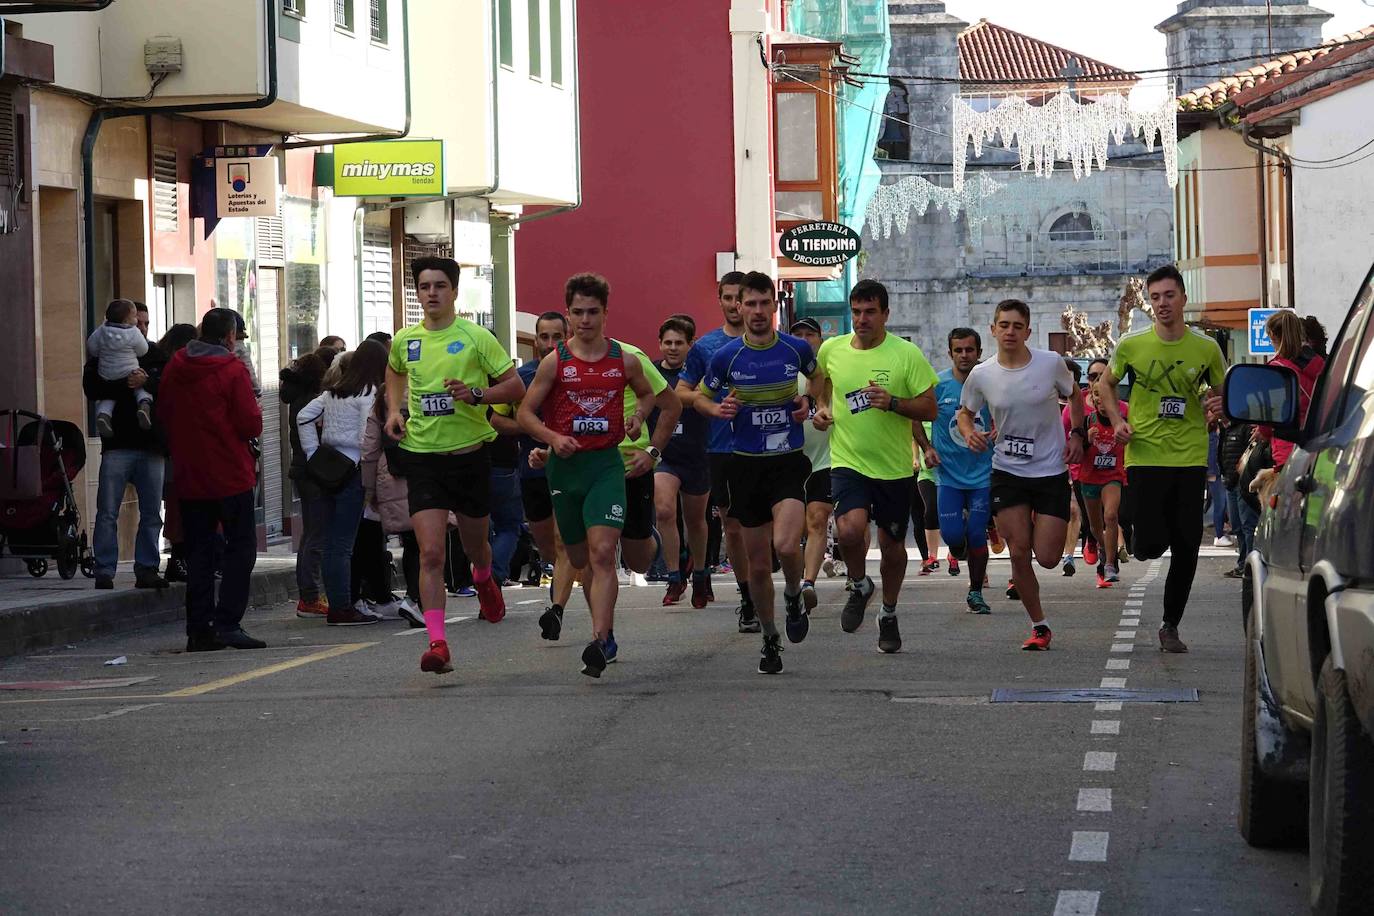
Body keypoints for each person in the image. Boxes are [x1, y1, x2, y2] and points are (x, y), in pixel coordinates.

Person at [517, 273, 671, 678]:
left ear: (605, 313)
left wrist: (638, 416)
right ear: (569, 315)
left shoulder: (625, 359)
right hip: (566, 469)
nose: (585, 320)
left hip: (606, 466)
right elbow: (524, 413)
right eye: (578, 312)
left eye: (593, 312)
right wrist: (552, 438)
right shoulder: (556, 362)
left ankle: (602, 640)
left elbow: (651, 394)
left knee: (603, 554)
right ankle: (596, 625)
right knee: (578, 557)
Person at [385, 256, 526, 675]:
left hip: (469, 458)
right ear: (417, 291)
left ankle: (484, 578)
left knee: (473, 548)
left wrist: (477, 394)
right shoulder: (405, 339)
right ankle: (438, 643)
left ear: (454, 291)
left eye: (440, 286)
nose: (432, 293)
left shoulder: (475, 336)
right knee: (430, 552)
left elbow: (514, 385)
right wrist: (395, 410)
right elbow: (393, 372)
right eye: (425, 286)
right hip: (423, 457)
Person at [1094, 265, 1227, 654]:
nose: (1162, 304)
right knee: (1149, 546)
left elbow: (1220, 394)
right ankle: (1140, 539)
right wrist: (1117, 420)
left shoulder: (1205, 348)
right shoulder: (1133, 345)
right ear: (1149, 303)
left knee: (1187, 546)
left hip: (1188, 456)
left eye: (1169, 295)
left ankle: (1170, 624)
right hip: (1144, 454)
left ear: (1183, 298)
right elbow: (1105, 382)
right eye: (1155, 298)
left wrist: (1217, 406)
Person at [692, 272, 817, 672]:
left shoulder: (795, 348)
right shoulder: (726, 357)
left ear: (774, 306)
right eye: (751, 304)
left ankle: (795, 594)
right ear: (739, 307)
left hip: (787, 463)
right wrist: (717, 410)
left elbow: (819, 380)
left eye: (766, 303)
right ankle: (769, 638)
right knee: (759, 564)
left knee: (785, 545)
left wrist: (808, 403)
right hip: (744, 466)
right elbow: (698, 397)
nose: (758, 311)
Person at [812, 279, 939, 654]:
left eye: (870, 312)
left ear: (886, 313)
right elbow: (820, 385)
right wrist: (822, 408)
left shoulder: (905, 355)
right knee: (850, 531)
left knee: (892, 546)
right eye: (856, 312)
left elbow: (929, 407)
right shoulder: (832, 349)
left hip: (895, 468)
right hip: (848, 461)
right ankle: (858, 583)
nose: (862, 319)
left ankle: (888, 611)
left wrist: (894, 403)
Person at [959, 299, 1084, 651]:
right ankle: (1039, 626)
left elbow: (1075, 396)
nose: (1010, 331)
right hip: (1008, 471)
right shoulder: (982, 374)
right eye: (1004, 325)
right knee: (1018, 552)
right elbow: (964, 413)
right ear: (993, 330)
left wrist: (1078, 434)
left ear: (1028, 331)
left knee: (1046, 556)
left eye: (1017, 325)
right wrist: (969, 432)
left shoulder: (1050, 364)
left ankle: (1034, 526)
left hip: (1049, 470)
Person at [159, 308, 265, 651]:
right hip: (230, 472)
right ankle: (228, 623)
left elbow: (164, 412)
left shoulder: (177, 365)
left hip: (191, 473)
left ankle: (198, 628)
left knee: (199, 552)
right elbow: (250, 423)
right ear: (230, 336)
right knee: (240, 548)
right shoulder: (232, 369)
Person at [676, 272, 755, 627]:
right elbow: (681, 393)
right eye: (728, 297)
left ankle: (781, 587)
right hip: (722, 448)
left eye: (742, 297)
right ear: (720, 301)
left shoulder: (772, 344)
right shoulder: (706, 348)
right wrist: (710, 404)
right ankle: (749, 597)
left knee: (766, 528)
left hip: (768, 447)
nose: (735, 304)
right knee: (734, 525)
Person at [296, 339, 389, 626]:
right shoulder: (370, 393)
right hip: (354, 471)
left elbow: (303, 416)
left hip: (326, 469)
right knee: (342, 544)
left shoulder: (333, 393)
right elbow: (367, 437)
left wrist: (313, 452)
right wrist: (371, 474)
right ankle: (342, 607)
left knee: (329, 542)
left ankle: (339, 603)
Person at [83, 300, 168, 591]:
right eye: (138, 322)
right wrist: (127, 384)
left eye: (145, 323)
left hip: (151, 445)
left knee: (151, 512)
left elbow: (168, 385)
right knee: (107, 511)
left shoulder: (153, 353)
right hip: (117, 444)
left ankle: (147, 568)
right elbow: (91, 387)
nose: (141, 328)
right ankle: (104, 570)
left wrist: (148, 380)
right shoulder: (105, 348)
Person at [914, 327, 995, 614]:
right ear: (950, 353)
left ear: (979, 353)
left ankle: (975, 592)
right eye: (958, 350)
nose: (964, 355)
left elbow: (1006, 415)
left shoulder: (990, 384)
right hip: (947, 476)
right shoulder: (938, 385)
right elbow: (915, 418)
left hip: (982, 476)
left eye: (969, 350)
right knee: (953, 536)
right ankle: (957, 550)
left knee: (976, 534)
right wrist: (927, 448)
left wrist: (998, 433)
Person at [514, 313, 580, 637]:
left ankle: (557, 608)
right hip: (532, 469)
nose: (550, 344)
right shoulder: (522, 377)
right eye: (544, 337)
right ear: (536, 339)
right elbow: (499, 421)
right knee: (546, 543)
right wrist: (540, 433)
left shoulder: (576, 373)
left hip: (568, 467)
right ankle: (560, 576)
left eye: (557, 337)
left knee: (561, 539)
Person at [652, 316, 712, 608]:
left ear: (691, 344)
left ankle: (699, 574)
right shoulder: (650, 373)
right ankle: (674, 577)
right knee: (663, 510)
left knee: (695, 521)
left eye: (679, 343)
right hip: (665, 456)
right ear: (660, 344)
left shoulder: (700, 375)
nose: (673, 348)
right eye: (668, 342)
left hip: (697, 456)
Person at [280, 345, 340, 617]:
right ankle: (310, 596)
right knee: (317, 536)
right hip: (314, 472)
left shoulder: (299, 399)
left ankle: (311, 594)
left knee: (311, 536)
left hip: (304, 471)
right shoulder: (311, 402)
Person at [788, 317, 835, 614]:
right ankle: (794, 583)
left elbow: (833, 403)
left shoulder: (828, 372)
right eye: (798, 334)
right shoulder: (784, 372)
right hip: (789, 459)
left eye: (810, 334)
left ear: (819, 339)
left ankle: (809, 583)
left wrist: (826, 411)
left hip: (826, 458)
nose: (804, 339)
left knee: (817, 520)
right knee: (790, 533)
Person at [1079, 358, 1128, 588]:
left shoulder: (1125, 415)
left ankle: (1109, 564)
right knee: (1095, 527)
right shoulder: (1088, 420)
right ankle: (1102, 545)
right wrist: (1086, 442)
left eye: (1104, 395)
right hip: (1089, 478)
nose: (1100, 400)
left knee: (1111, 516)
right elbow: (1074, 449)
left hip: (1113, 476)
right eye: (1096, 396)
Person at [156, 322, 198, 584]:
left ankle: (180, 558)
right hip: (177, 449)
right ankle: (178, 558)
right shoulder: (173, 370)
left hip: (175, 447)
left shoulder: (167, 368)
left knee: (177, 507)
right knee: (177, 507)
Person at [1259, 309, 1325, 472]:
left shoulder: (1274, 372)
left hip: (1287, 452)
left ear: (1273, 335)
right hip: (1318, 450)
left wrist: (1263, 433)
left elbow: (1268, 420)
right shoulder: (1320, 366)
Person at [87, 299, 154, 436]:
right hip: (130, 371)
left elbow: (92, 348)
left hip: (106, 373)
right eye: (135, 317)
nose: (140, 326)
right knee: (140, 387)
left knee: (109, 397)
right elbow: (143, 350)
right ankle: (144, 405)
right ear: (126, 320)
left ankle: (103, 415)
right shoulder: (134, 333)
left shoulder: (101, 331)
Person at [913, 424, 943, 575]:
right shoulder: (920, 422)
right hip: (926, 475)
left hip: (948, 475)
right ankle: (931, 558)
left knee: (949, 515)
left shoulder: (944, 418)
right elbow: (914, 438)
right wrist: (915, 458)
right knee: (929, 510)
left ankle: (955, 554)